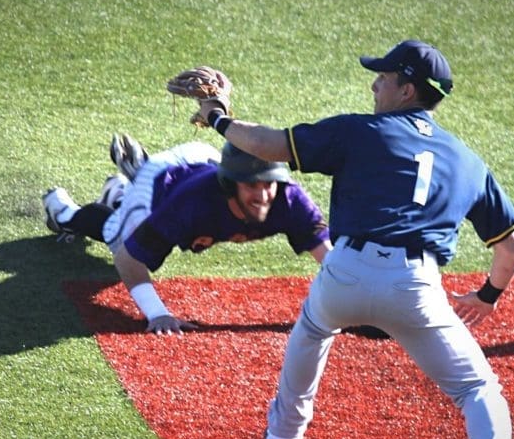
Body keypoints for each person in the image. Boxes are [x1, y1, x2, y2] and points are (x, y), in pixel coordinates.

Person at [197, 39, 514, 439]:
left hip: (346, 271)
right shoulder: (469, 162)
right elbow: (511, 250)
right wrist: (487, 295)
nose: (375, 84)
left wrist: (217, 117)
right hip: (415, 286)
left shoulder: (360, 131)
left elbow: (267, 145)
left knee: (313, 329)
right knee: (475, 387)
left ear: (406, 90)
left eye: (383, 77)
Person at [43, 135, 332, 335]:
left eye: (269, 183)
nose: (263, 194)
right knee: (118, 241)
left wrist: (349, 307)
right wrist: (157, 313)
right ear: (231, 186)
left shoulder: (289, 199)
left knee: (138, 224)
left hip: (205, 161)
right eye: (252, 186)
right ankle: (64, 211)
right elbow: (127, 261)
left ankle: (120, 195)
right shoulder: (191, 205)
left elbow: (330, 259)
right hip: (161, 180)